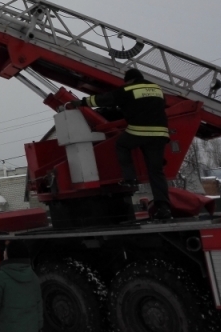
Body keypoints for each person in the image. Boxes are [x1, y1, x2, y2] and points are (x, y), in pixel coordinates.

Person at [67, 68, 172, 220]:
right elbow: (152, 106)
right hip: (160, 134)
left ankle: (130, 178)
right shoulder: (156, 89)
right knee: (156, 172)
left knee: (122, 145)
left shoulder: (128, 89)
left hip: (139, 131)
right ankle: (164, 208)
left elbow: (103, 99)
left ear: (129, 80)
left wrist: (81, 102)